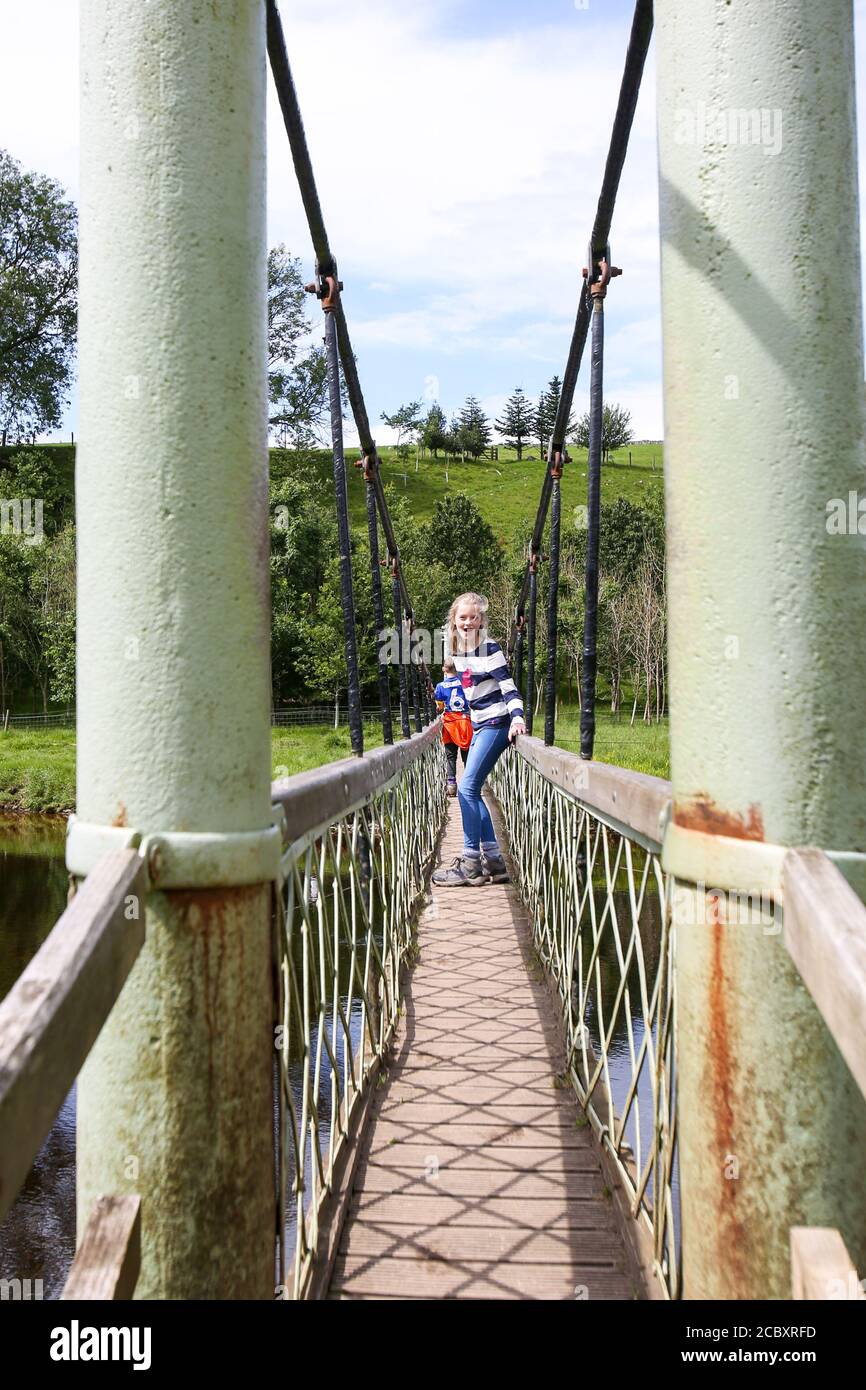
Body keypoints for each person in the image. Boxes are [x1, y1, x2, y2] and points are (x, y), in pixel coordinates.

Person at [432, 591, 526, 887]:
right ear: (454, 620)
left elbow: (509, 688)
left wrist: (518, 718)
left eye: (474, 617)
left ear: (481, 620)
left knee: (466, 789)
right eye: (463, 617)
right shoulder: (456, 649)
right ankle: (495, 863)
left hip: (498, 724)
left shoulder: (491, 649)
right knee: (472, 791)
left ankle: (471, 865)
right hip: (478, 724)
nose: (468, 622)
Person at [433, 659, 473, 796]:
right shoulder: (465, 681)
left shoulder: (439, 686)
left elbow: (440, 707)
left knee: (451, 755)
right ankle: (470, 784)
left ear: (444, 669)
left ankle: (451, 785)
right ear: (457, 668)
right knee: (467, 754)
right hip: (464, 722)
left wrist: (438, 706)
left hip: (449, 723)